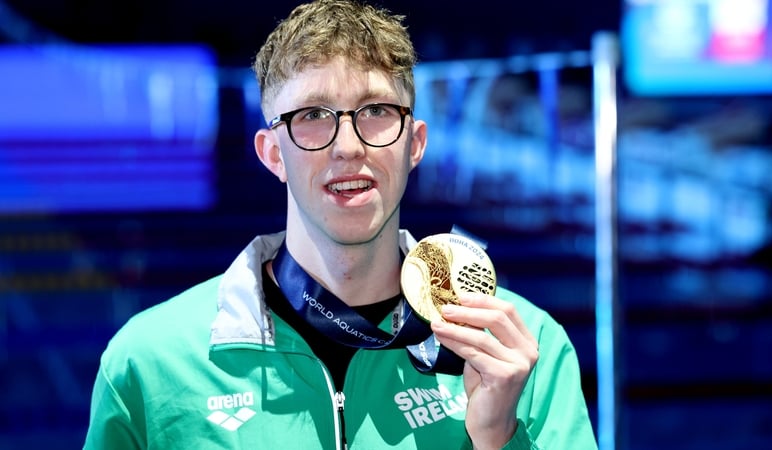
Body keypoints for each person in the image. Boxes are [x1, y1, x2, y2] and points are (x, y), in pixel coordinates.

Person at [84, 1, 598, 449]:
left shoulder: (524, 349)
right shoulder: (151, 362)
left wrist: (499, 440)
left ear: (414, 144)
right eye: (311, 115)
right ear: (272, 155)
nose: (348, 146)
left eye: (375, 110)